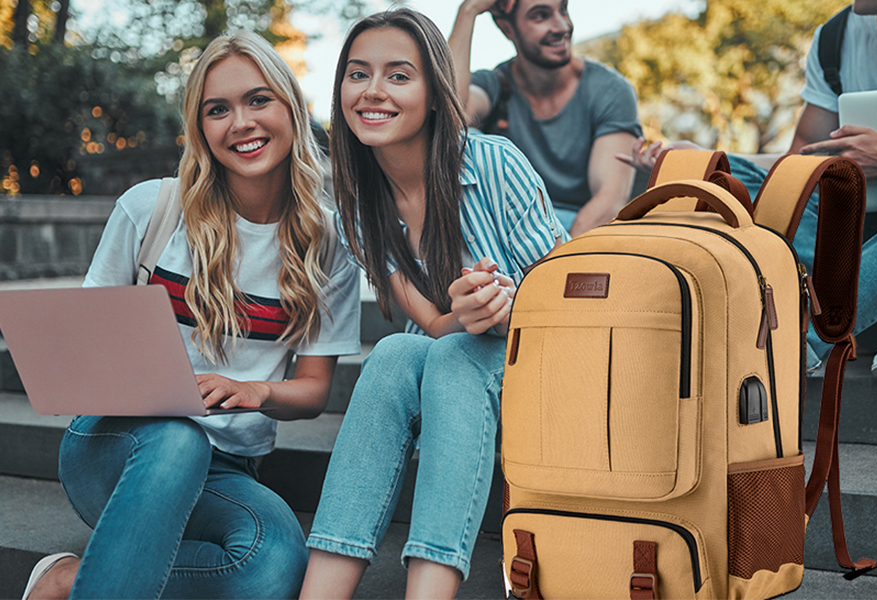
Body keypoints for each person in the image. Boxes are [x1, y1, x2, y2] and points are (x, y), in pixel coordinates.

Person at [21, 30, 361, 600]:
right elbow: (79, 348)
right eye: (218, 109)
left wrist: (255, 390)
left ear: (290, 109)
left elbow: (314, 390)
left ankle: (69, 581)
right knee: (179, 438)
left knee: (273, 563)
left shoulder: (326, 243)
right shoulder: (151, 208)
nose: (241, 122)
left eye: (258, 100)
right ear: (201, 128)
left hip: (226, 469)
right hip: (114, 447)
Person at [299, 8, 564, 599]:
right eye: (357, 74)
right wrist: (467, 315)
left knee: (453, 356)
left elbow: (570, 309)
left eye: (398, 75)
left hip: (548, 362)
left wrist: (502, 307)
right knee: (396, 350)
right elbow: (433, 323)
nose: (372, 92)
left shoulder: (495, 164)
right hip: (458, 365)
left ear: (436, 93)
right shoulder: (358, 210)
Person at [629, 0, 877, 381]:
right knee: (725, 174)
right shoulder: (835, 39)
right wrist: (709, 157)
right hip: (859, 233)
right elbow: (799, 164)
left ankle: (794, 343)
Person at [448, 0, 642, 236]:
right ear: (507, 29)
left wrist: (558, 266)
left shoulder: (610, 89)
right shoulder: (495, 86)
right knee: (464, 139)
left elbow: (608, 202)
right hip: (506, 233)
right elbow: (448, 120)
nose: (562, 26)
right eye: (541, 16)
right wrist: (467, 11)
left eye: (563, 10)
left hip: (581, 233)